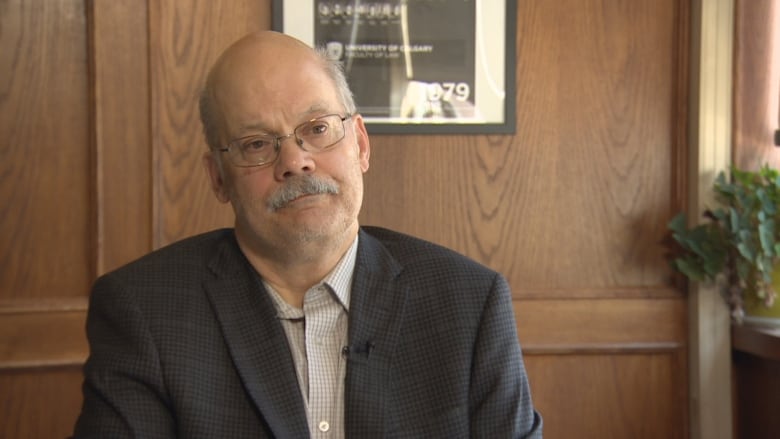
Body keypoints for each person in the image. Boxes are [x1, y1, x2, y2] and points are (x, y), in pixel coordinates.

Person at [72, 30, 542, 438]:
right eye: (257, 144)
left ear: (359, 143)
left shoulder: (468, 302)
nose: (295, 161)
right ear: (218, 177)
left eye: (317, 128)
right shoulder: (145, 311)